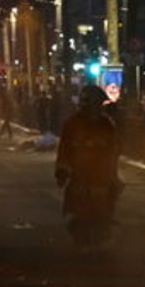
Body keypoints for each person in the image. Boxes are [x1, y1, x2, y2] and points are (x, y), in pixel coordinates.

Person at [54, 85, 121, 246]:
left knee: (105, 208)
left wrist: (113, 176)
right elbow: (64, 149)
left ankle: (102, 231)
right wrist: (62, 170)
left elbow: (114, 151)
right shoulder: (72, 124)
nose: (96, 109)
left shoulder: (106, 125)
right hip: (80, 176)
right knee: (77, 208)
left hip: (102, 177)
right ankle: (81, 234)